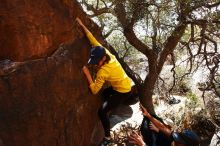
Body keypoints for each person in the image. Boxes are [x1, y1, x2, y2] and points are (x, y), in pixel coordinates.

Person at [76, 17, 132, 146]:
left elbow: (95, 90)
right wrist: (81, 24)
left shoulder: (103, 72)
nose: (95, 65)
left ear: (102, 59)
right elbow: (92, 38)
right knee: (106, 94)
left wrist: (87, 73)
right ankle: (109, 106)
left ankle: (107, 138)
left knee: (101, 111)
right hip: (123, 83)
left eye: (96, 62)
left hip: (123, 91)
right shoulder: (106, 53)